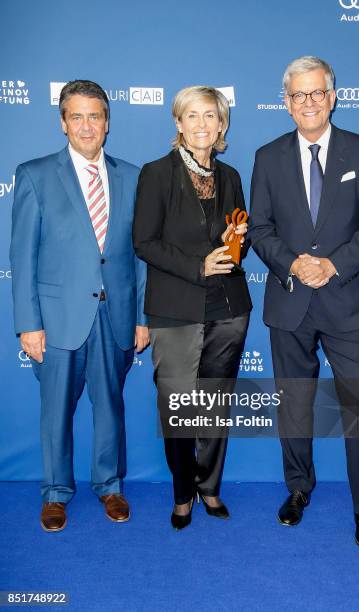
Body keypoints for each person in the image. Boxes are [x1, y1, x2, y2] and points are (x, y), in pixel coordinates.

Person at [249, 56, 359, 548]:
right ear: (286, 103)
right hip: (289, 302)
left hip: (347, 303)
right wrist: (294, 264)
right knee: (293, 403)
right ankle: (297, 488)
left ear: (333, 97)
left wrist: (331, 264)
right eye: (298, 95)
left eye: (317, 93)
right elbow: (260, 230)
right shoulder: (267, 157)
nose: (308, 103)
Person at [10, 80, 149, 532]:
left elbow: (141, 256)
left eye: (95, 116)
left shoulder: (133, 176)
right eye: (77, 116)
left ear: (107, 123)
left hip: (116, 316)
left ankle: (110, 487)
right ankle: (55, 493)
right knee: (56, 410)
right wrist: (29, 324)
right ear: (63, 122)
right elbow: (22, 256)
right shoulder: (34, 175)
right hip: (58, 317)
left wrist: (143, 317)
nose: (87, 125)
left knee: (111, 405)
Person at [133, 86, 251, 530]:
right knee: (179, 407)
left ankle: (210, 486)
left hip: (229, 307)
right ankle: (183, 491)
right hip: (175, 307)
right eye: (192, 116)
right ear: (178, 124)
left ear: (222, 125)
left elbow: (241, 234)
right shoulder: (157, 174)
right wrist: (198, 265)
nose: (202, 124)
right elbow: (143, 242)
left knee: (216, 406)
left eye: (211, 116)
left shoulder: (232, 176)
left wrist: (235, 243)